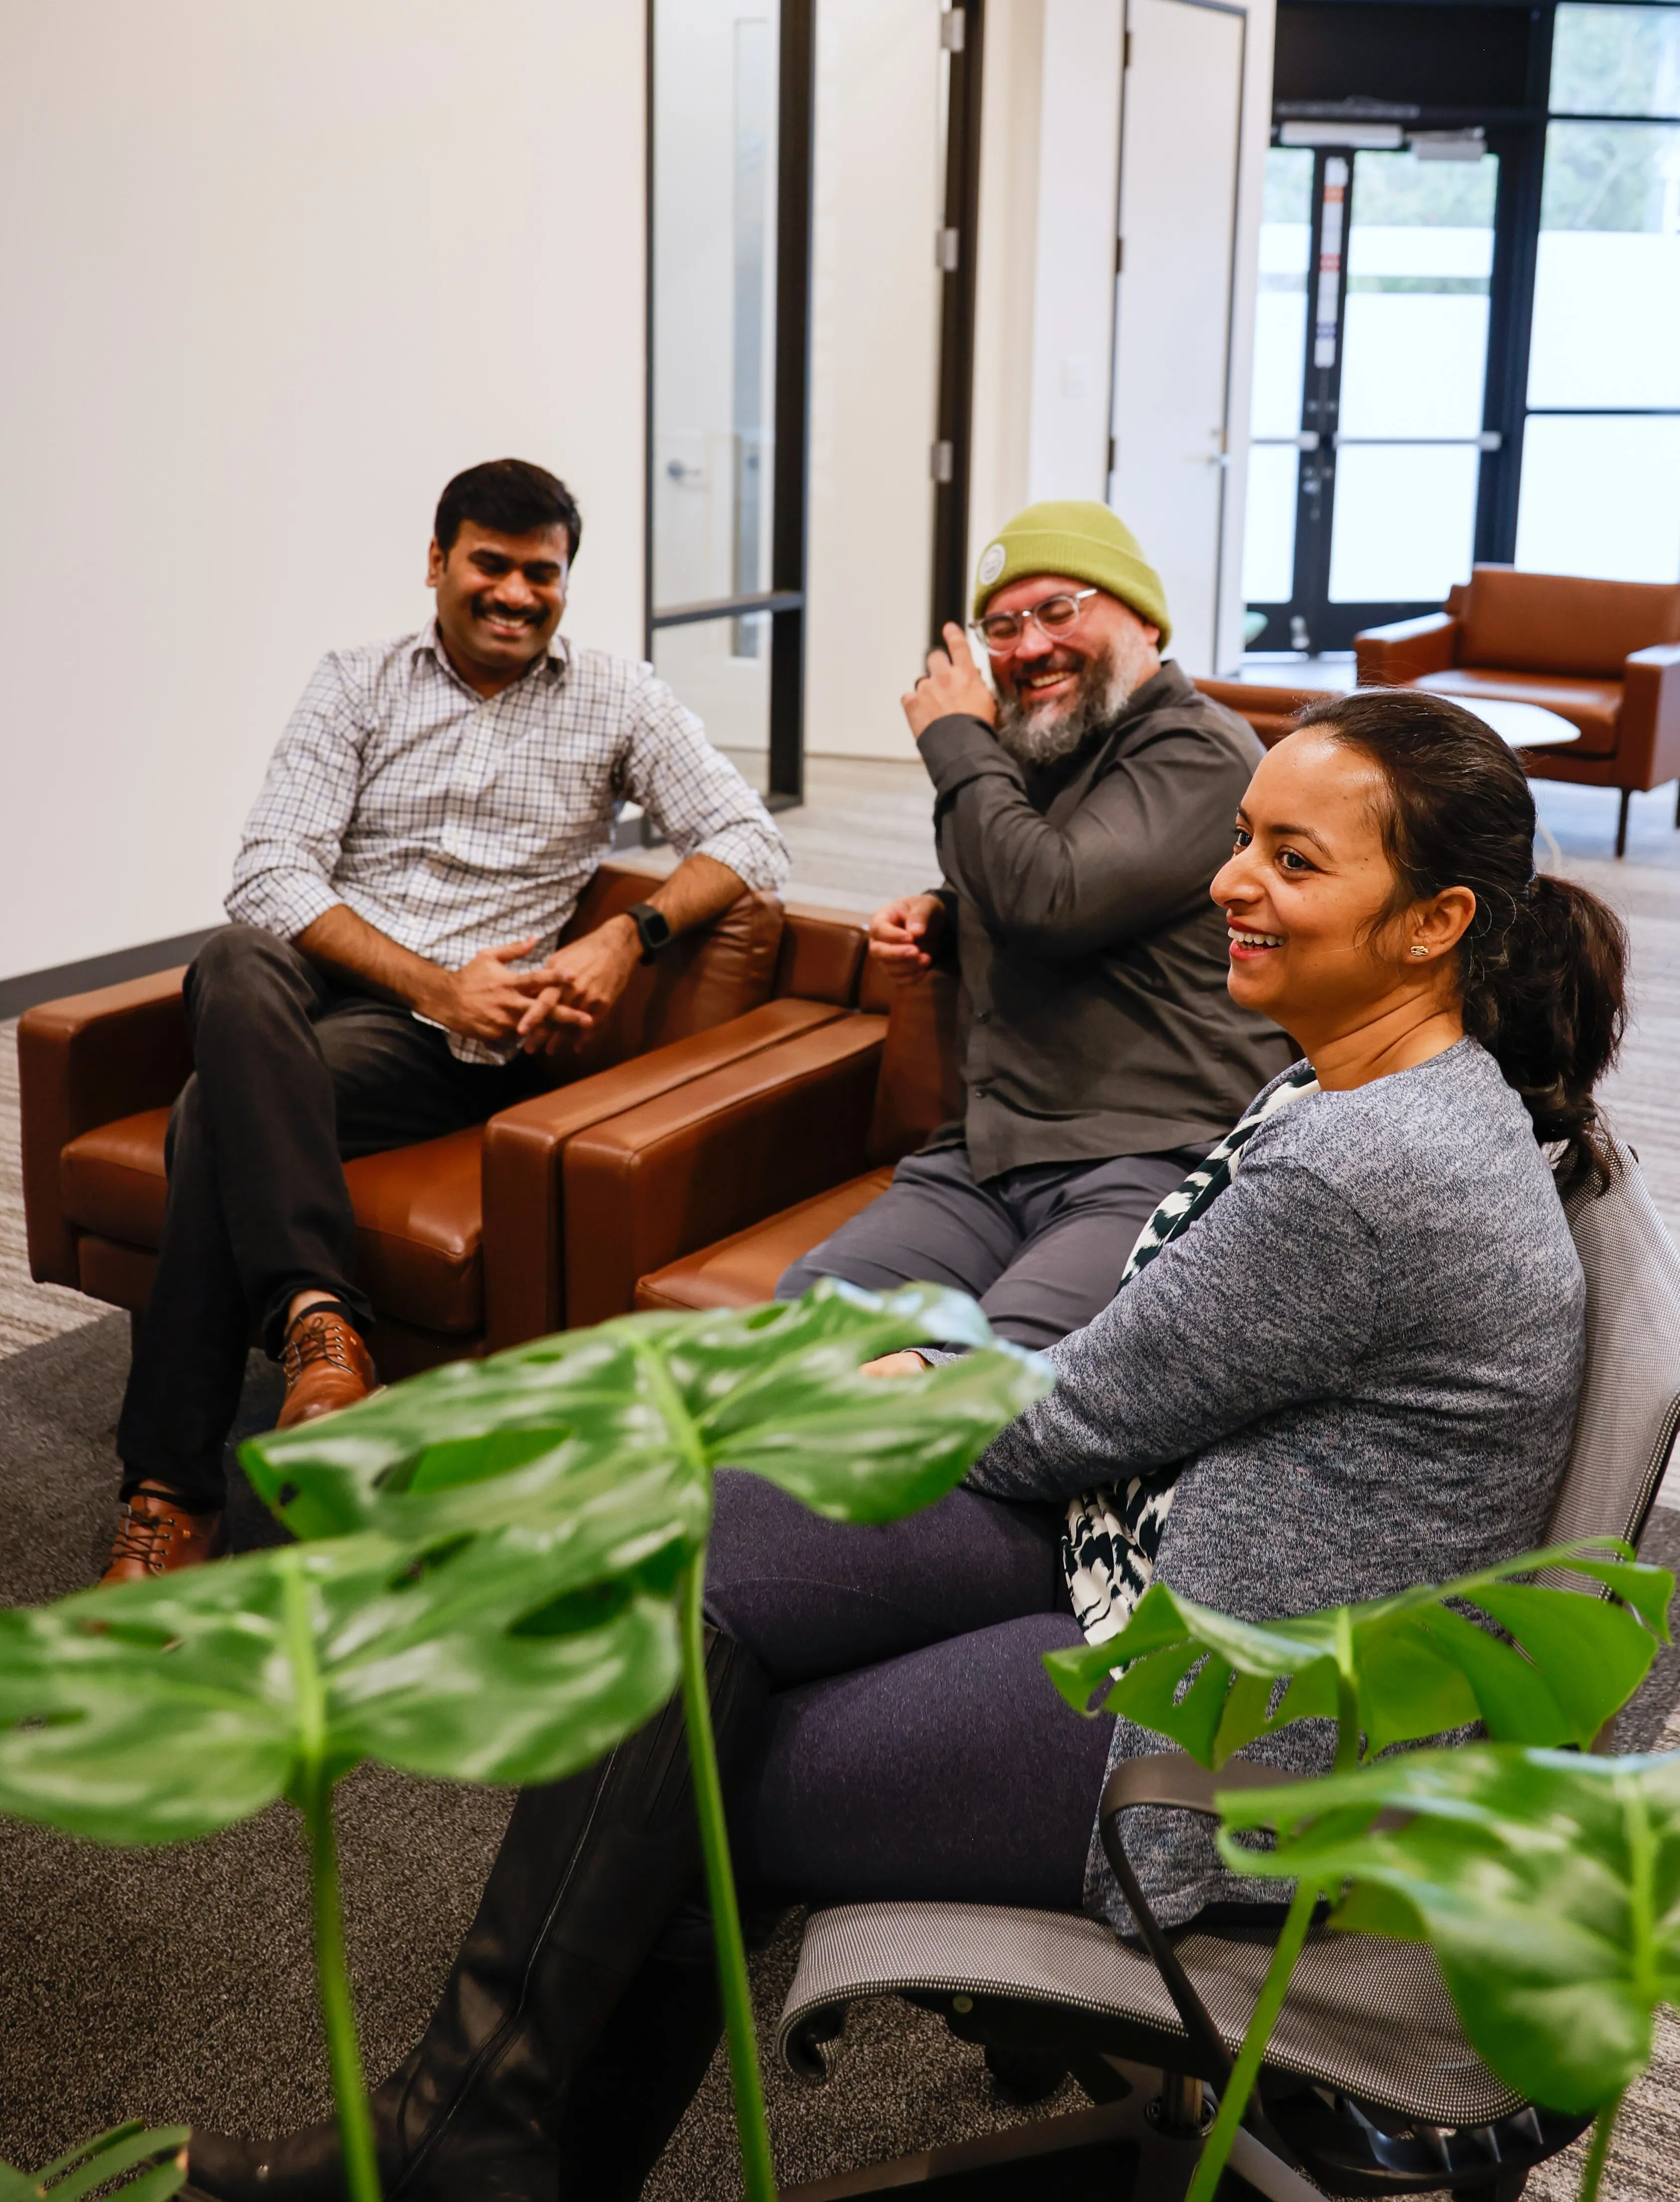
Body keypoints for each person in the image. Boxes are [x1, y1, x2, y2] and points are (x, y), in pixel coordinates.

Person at [182, 689, 1625, 2201]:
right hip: (1162, 1553)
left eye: (1293, 861)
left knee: (694, 1770)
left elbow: (1076, 1415)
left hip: (1221, 1738)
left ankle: (469, 2139)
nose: (1227, 881)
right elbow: (1129, 1384)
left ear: (1435, 920)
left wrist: (911, 1381)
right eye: (1243, 840)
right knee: (689, 1561)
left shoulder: (1365, 1167)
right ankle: (471, 2135)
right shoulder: (1365, 1085)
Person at [106, 458, 789, 1586]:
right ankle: (324, 1325)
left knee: (203, 1113)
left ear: (567, 581)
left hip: (454, 1050)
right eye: (491, 564)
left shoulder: (616, 695)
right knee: (232, 958)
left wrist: (627, 938)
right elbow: (269, 869)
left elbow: (748, 840)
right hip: (361, 991)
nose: (517, 593)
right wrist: (431, 979)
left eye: (543, 573)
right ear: (437, 563)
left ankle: (172, 1491)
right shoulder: (357, 680)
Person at [779, 500, 1294, 1351]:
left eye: (1060, 610)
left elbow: (1051, 897)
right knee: (797, 1341)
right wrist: (941, 914)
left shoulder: (1200, 752)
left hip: (1150, 1156)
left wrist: (955, 740)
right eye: (1002, 626)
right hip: (987, 1156)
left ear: (1143, 617)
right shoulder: (1040, 751)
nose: (1027, 646)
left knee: (992, 1397)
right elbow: (1035, 877)